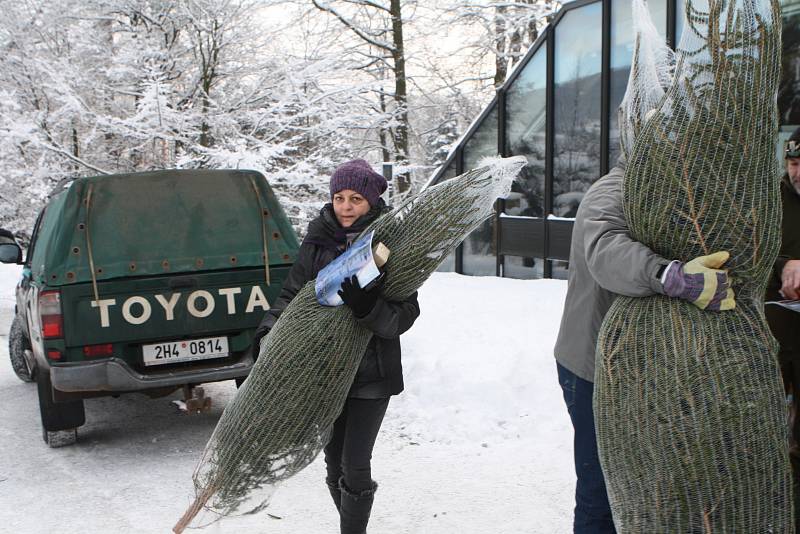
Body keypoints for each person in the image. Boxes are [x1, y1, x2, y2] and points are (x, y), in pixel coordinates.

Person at [553, 161, 735, 533]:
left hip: (639, 368)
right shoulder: (614, 189)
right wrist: (669, 276)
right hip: (593, 367)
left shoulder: (670, 189)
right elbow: (605, 250)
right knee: (601, 490)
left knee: (646, 486)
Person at [253, 159, 420, 534]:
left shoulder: (392, 243)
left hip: (371, 372)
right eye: (340, 197)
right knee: (333, 465)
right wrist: (268, 333)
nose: (346, 206)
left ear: (372, 202)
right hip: (324, 374)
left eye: (356, 199)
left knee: (355, 463)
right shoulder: (316, 243)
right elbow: (291, 295)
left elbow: (405, 314)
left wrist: (368, 308)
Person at [765, 127, 800, 531]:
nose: (797, 173)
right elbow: (753, 252)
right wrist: (783, 266)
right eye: (792, 164)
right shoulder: (773, 200)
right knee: (770, 424)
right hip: (777, 323)